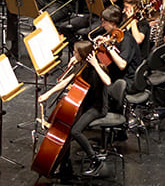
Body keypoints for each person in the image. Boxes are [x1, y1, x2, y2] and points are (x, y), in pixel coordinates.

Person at [38, 39, 113, 178]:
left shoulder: (98, 67)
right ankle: (66, 166)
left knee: (75, 131)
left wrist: (95, 64)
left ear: (83, 54)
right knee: (66, 129)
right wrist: (48, 94)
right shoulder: (81, 65)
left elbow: (108, 81)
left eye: (75, 52)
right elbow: (67, 81)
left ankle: (95, 160)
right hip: (85, 105)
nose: (73, 54)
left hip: (97, 107)